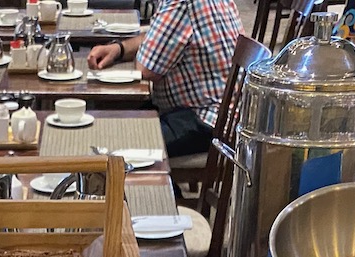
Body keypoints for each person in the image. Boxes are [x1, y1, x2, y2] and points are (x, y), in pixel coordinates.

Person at [86, 0, 241, 158]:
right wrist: (120, 49)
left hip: (205, 121)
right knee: (115, 123)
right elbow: (158, 36)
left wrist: (138, 47)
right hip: (222, 116)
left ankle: (158, 182)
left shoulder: (180, 3)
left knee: (113, 143)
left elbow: (146, 69)